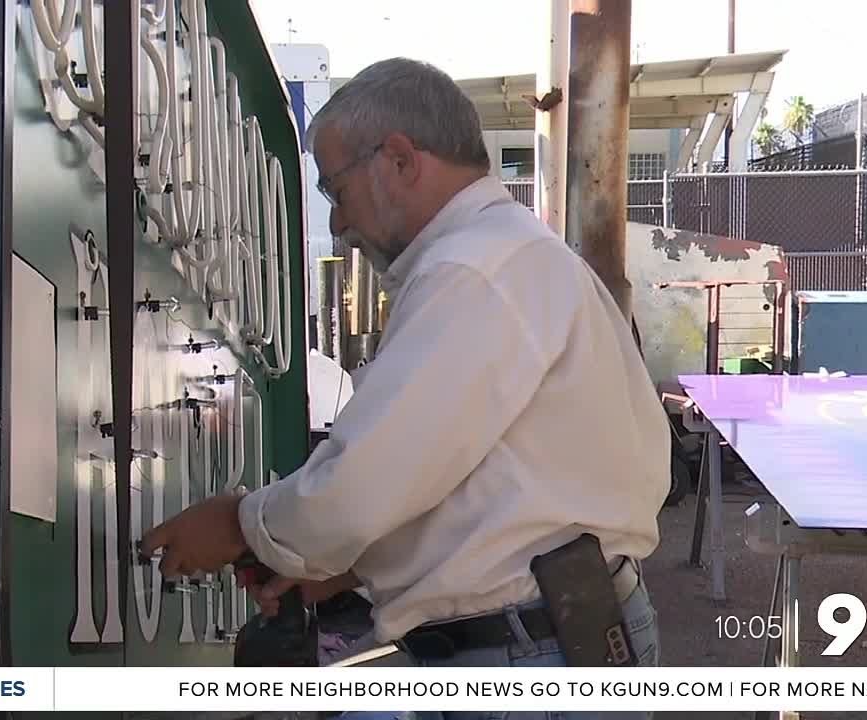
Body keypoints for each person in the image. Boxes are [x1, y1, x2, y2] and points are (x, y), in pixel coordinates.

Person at [140, 57, 669, 719]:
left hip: (533, 658)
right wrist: (342, 565)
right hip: (553, 640)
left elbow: (362, 487)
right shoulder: (503, 257)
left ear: (397, 159)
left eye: (336, 190)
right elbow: (478, 484)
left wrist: (240, 524)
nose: (337, 224)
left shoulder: (476, 272)